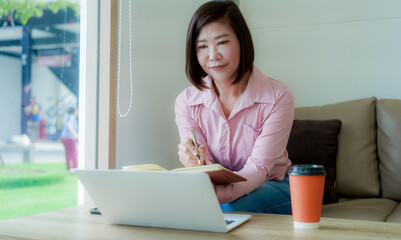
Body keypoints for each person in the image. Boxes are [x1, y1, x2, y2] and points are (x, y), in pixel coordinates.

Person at [175, 1, 294, 214]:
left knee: (226, 208)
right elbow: (205, 166)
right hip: (217, 189)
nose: (213, 56)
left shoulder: (278, 97)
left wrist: (215, 195)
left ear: (242, 41)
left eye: (222, 42)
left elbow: (259, 168)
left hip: (273, 184)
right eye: (202, 46)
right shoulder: (187, 102)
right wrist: (193, 160)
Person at [60, 107, 79, 172]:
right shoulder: (72, 118)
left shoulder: (68, 118)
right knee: (73, 152)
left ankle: (68, 168)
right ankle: (74, 167)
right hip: (69, 137)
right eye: (77, 110)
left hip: (64, 137)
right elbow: (69, 126)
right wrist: (75, 134)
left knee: (67, 153)